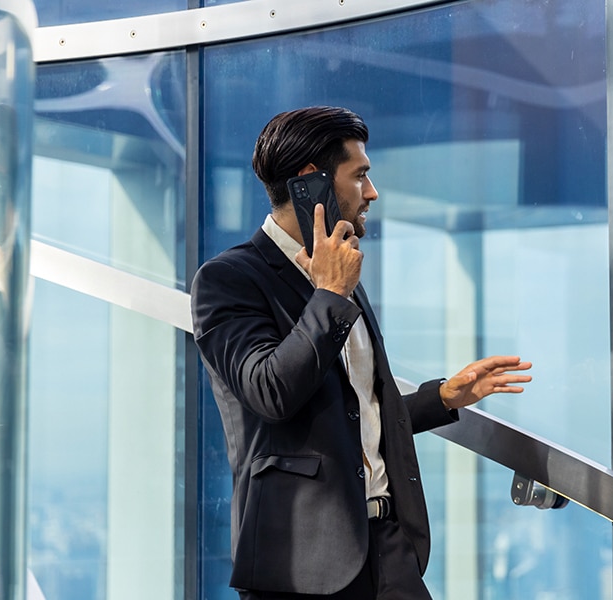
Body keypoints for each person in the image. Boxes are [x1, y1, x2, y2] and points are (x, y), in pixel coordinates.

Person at [190, 106, 532, 599]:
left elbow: (349, 411)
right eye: (361, 176)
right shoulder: (229, 279)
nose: (371, 193)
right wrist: (329, 294)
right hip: (300, 569)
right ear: (312, 181)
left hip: (390, 550)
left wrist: (445, 397)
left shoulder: (341, 275)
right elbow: (270, 393)